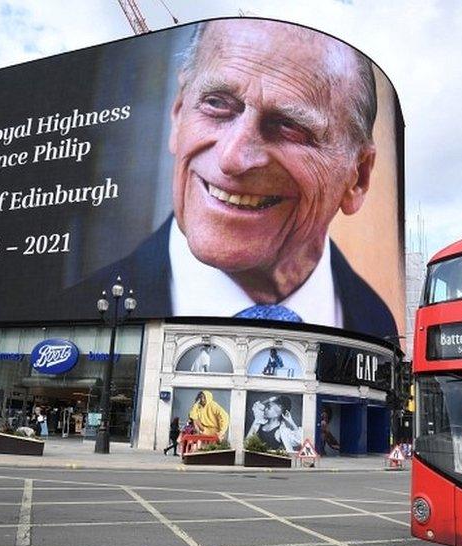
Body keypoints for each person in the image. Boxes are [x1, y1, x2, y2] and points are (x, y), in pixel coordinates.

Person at [72, 20, 397, 340]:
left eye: (289, 126)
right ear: (178, 113)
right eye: (216, 104)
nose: (232, 158)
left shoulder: (382, 327)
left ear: (358, 177)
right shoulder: (78, 313)